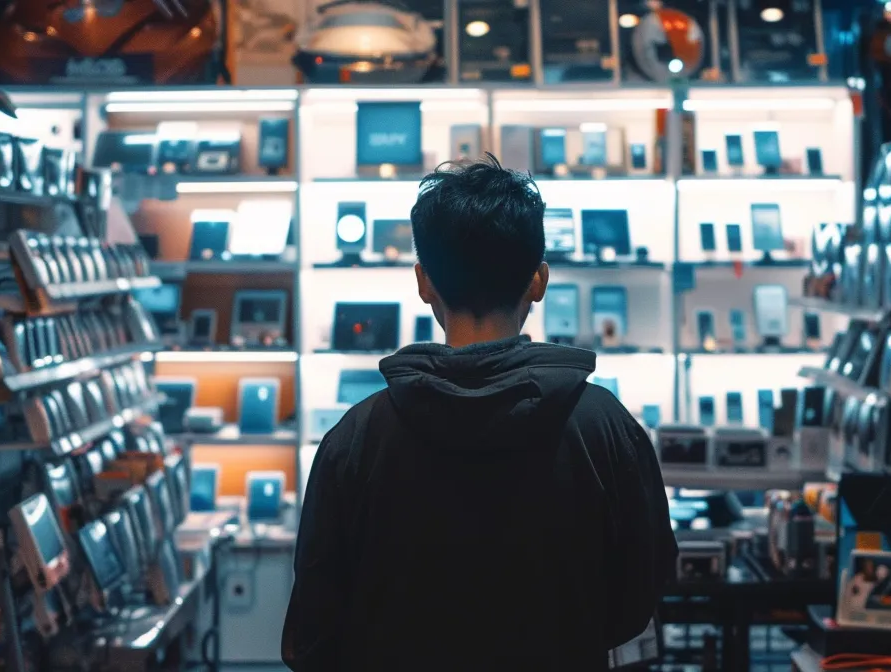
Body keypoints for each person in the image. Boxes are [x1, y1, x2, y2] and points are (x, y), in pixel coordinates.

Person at [282, 157, 677, 671]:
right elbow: (635, 603)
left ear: (424, 283)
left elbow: (311, 636)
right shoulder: (605, 426)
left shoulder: (355, 437)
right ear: (539, 281)